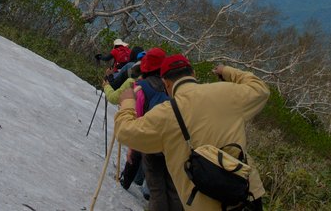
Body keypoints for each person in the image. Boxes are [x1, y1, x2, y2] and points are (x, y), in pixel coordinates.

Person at [115, 54, 269, 211]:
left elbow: (124, 132)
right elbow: (260, 89)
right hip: (245, 194)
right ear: (193, 74)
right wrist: (226, 71)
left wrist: (128, 102)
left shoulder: (165, 114)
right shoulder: (227, 92)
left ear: (166, 83)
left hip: (202, 205)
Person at [134, 48, 182, 211]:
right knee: (172, 189)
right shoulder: (171, 85)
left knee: (156, 190)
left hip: (152, 139)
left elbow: (137, 118)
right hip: (174, 141)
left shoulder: (141, 86)